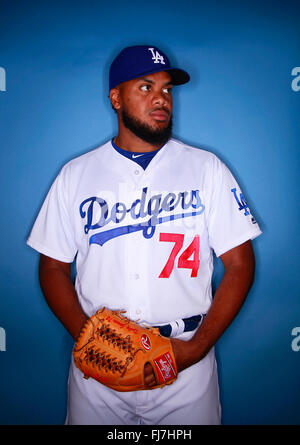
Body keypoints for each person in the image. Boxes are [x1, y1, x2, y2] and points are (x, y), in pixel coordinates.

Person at [27, 45, 262, 425]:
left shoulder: (206, 168)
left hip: (186, 363)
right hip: (99, 371)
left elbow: (240, 263)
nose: (161, 98)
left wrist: (196, 350)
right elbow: (52, 267)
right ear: (116, 98)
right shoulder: (76, 174)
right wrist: (90, 342)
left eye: (167, 89)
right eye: (146, 86)